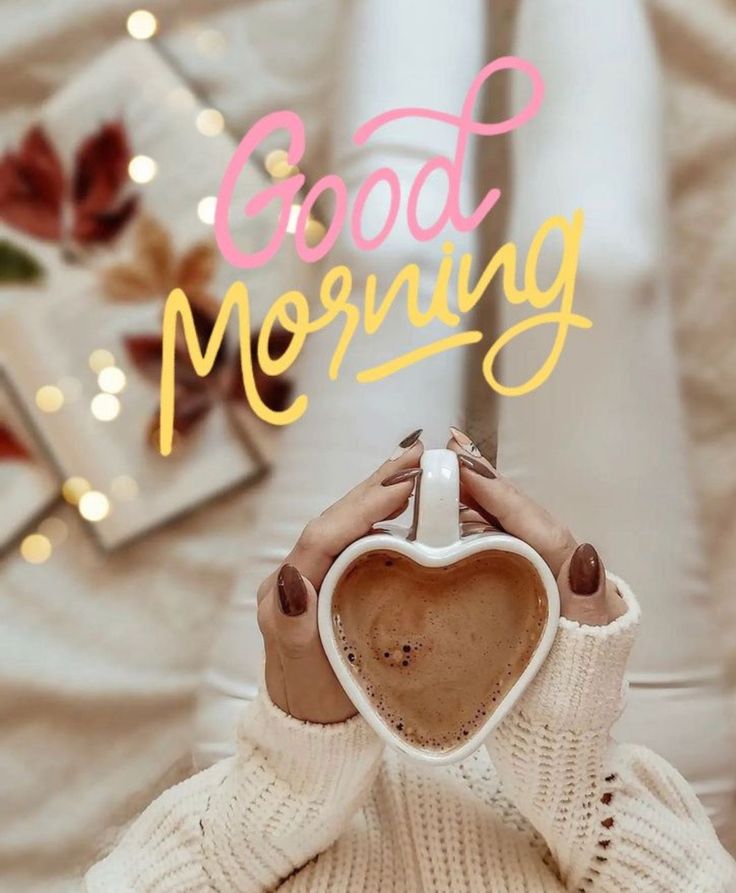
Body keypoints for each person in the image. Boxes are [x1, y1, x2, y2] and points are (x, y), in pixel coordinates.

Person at [83, 430, 736, 891]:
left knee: (388, 277)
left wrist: (296, 771)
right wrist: (572, 774)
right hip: (601, 806)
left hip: (271, 785)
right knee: (610, 274)